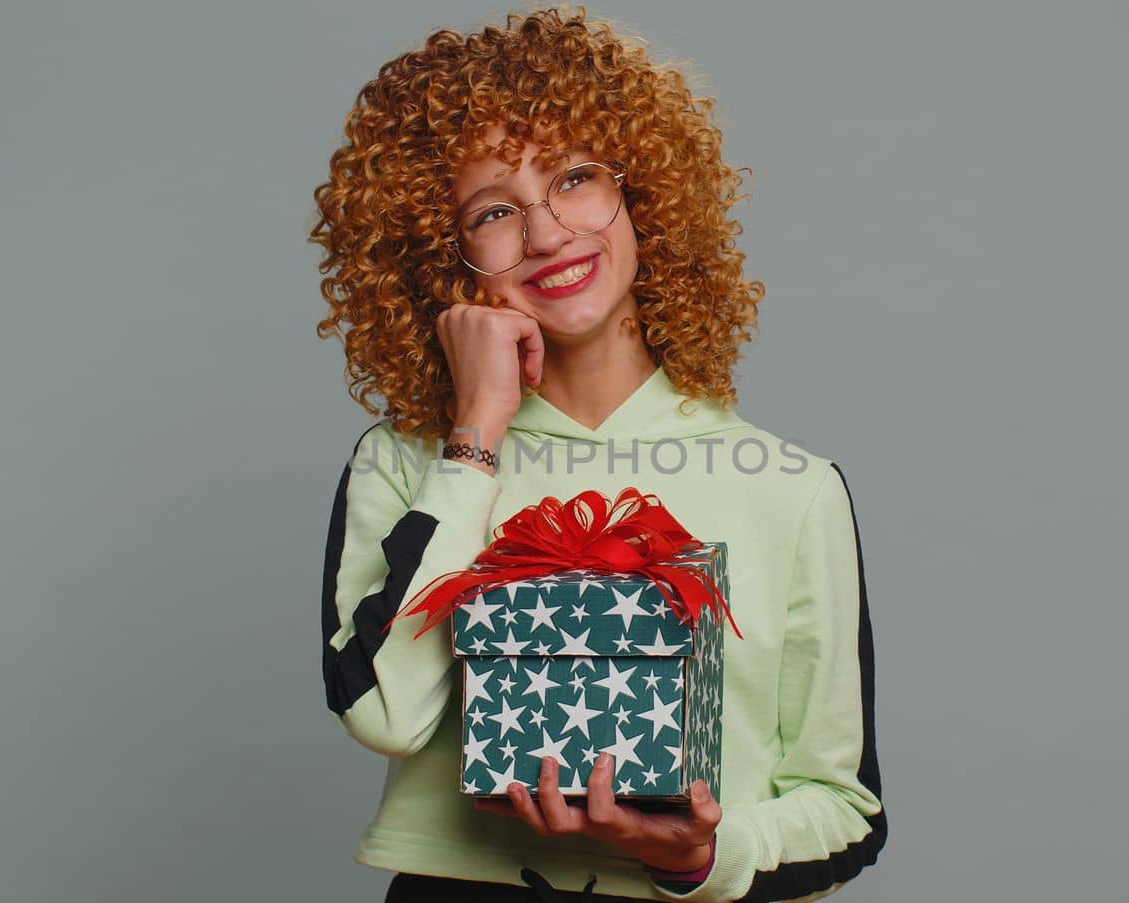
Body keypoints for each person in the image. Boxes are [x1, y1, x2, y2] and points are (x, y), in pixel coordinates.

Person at [311, 8, 886, 901]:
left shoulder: (791, 488)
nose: (546, 234)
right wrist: (475, 437)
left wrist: (695, 854)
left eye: (577, 178)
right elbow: (385, 713)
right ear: (442, 254)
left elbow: (843, 807)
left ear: (646, 196)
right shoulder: (406, 462)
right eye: (494, 210)